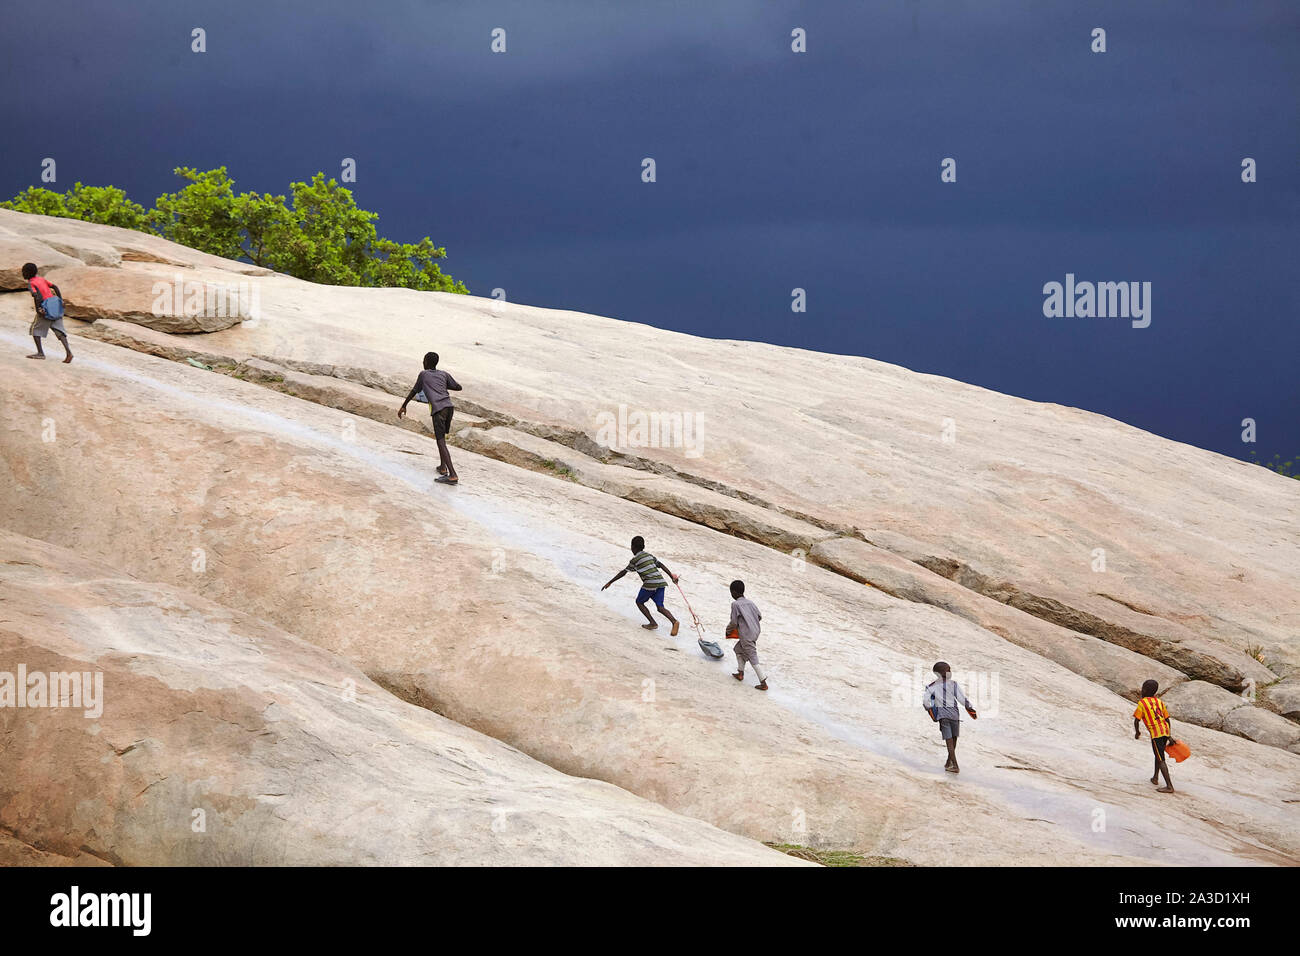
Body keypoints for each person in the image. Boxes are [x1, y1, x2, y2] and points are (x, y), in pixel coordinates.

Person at [397, 351, 461, 484]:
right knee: (442, 438)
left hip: (439, 410)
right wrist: (443, 384)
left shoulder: (423, 375)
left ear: (426, 362)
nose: (423, 362)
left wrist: (404, 406)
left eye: (423, 360)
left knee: (440, 442)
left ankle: (453, 475)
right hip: (449, 408)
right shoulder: (444, 374)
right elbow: (458, 387)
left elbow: (414, 391)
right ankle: (443, 467)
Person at [601, 536, 680, 635]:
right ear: (643, 546)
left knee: (639, 602)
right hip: (661, 582)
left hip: (650, 583)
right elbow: (661, 565)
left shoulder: (635, 560)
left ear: (633, 547)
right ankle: (674, 621)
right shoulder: (649, 555)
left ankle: (653, 623)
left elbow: (623, 572)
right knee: (660, 607)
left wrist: (610, 582)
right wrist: (672, 576)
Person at [923, 661, 977, 773]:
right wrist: (970, 708)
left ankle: (950, 762)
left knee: (949, 741)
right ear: (942, 673)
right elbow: (962, 699)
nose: (950, 672)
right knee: (954, 739)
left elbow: (926, 703)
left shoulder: (930, 687)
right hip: (955, 715)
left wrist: (931, 711)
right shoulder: (953, 684)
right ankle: (954, 765)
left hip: (943, 716)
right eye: (948, 670)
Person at [22, 263, 73, 363]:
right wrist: (60, 300)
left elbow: (37, 296)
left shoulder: (31, 283)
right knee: (60, 331)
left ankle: (40, 353)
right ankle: (69, 353)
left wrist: (39, 309)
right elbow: (55, 287)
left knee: (35, 330)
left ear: (27, 273)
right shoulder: (41, 279)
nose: (23, 274)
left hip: (45, 308)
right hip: (55, 306)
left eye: (24, 272)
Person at [1133, 679, 1176, 793]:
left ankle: (1169, 786)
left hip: (1156, 734)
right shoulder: (1159, 702)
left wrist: (1137, 732)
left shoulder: (1142, 703)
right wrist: (1169, 735)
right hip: (1164, 730)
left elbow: (1137, 720)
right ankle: (1155, 778)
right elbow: (1167, 719)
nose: (1141, 690)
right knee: (1158, 754)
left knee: (1161, 759)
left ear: (1145, 690)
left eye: (1142, 688)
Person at [725, 579, 766, 690]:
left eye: (731, 592)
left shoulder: (735, 604)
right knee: (738, 649)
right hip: (755, 632)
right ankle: (740, 673)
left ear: (733, 592)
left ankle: (763, 682)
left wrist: (728, 630)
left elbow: (733, 622)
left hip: (746, 635)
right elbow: (759, 616)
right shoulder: (751, 603)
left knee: (752, 656)